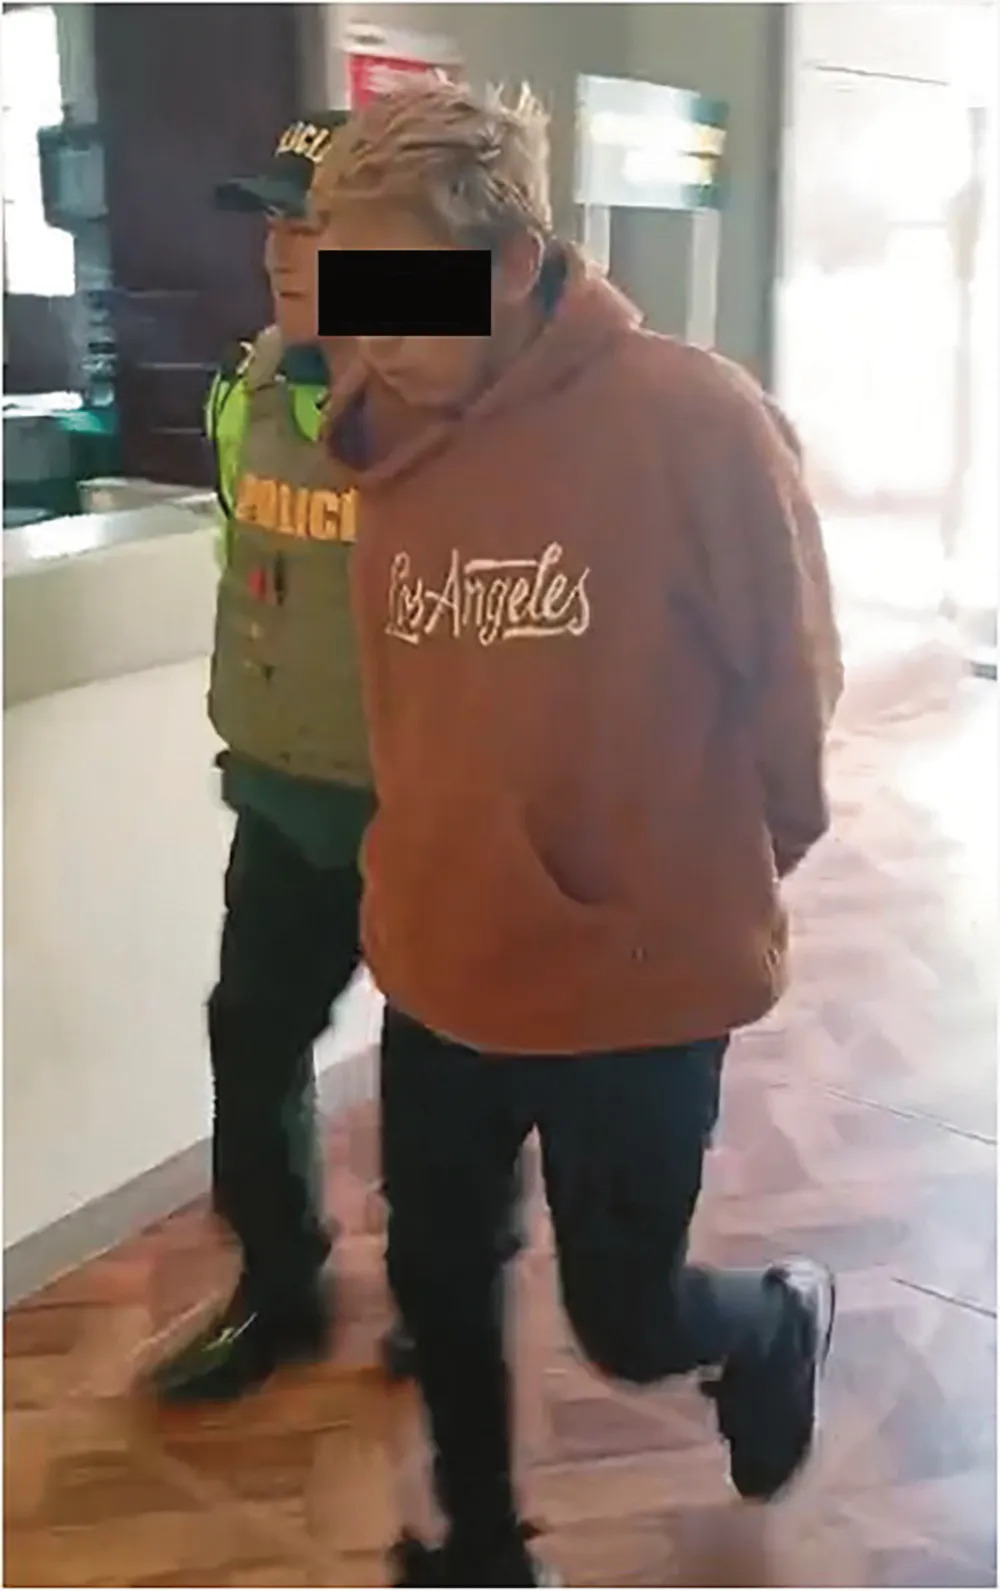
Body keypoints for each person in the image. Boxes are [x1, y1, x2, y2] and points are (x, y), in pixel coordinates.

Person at [311, 81, 845, 1587]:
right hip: (442, 951)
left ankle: (773, 1322)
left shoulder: (693, 421)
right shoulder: (389, 444)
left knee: (626, 1316)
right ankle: (485, 1551)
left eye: (399, 291)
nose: (369, 335)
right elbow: (410, 695)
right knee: (439, 1274)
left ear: (509, 260)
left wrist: (738, 856)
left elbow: (790, 671)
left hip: (637, 970)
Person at [152, 110, 418, 1403]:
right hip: (282, 793)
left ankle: (443, 1296)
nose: (280, 249)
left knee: (444, 1076)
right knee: (251, 1040)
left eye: (315, 226)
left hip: (427, 807)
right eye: (274, 222)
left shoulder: (455, 394)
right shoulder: (248, 384)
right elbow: (248, 566)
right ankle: (280, 1290)